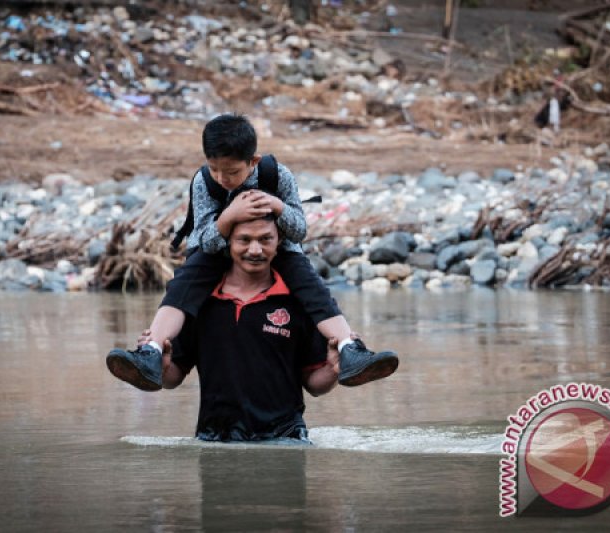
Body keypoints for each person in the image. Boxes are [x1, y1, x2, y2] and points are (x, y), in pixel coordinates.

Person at [107, 113, 397, 391]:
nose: (222, 178)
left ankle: (350, 350)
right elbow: (205, 240)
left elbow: (299, 231)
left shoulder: (276, 174)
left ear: (253, 161)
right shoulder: (203, 182)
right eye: (214, 168)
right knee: (182, 287)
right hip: (215, 247)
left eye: (232, 171)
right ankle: (151, 351)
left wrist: (278, 206)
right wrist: (230, 216)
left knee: (313, 288)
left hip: (277, 247)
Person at [109, 216, 398, 441]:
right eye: (244, 240)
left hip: (285, 440)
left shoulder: (299, 301)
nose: (255, 249)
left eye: (265, 239)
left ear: (280, 240)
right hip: (214, 440)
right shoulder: (198, 302)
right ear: (227, 243)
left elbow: (313, 385)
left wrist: (334, 370)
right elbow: (173, 379)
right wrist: (162, 366)